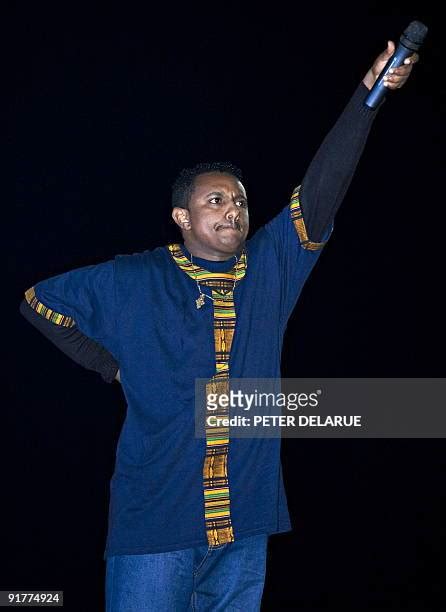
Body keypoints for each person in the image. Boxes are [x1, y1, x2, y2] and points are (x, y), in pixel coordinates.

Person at [20, 41, 418, 611]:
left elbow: (322, 190)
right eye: (216, 199)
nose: (233, 208)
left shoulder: (269, 268)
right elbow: (39, 301)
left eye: (240, 200)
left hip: (244, 527)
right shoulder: (133, 278)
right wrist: (110, 365)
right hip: (154, 527)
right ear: (183, 216)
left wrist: (367, 98)